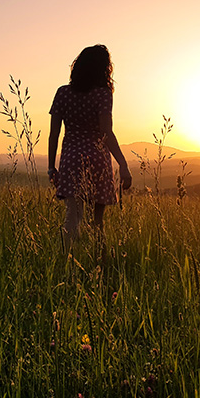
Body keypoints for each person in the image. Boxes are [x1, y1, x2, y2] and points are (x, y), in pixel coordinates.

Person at [48, 44, 132, 247]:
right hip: (97, 160)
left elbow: (54, 134)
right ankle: (98, 265)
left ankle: (68, 262)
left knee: (73, 218)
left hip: (71, 160)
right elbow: (106, 132)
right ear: (104, 69)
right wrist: (123, 164)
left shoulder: (62, 93)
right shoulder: (103, 94)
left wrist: (51, 166)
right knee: (97, 223)